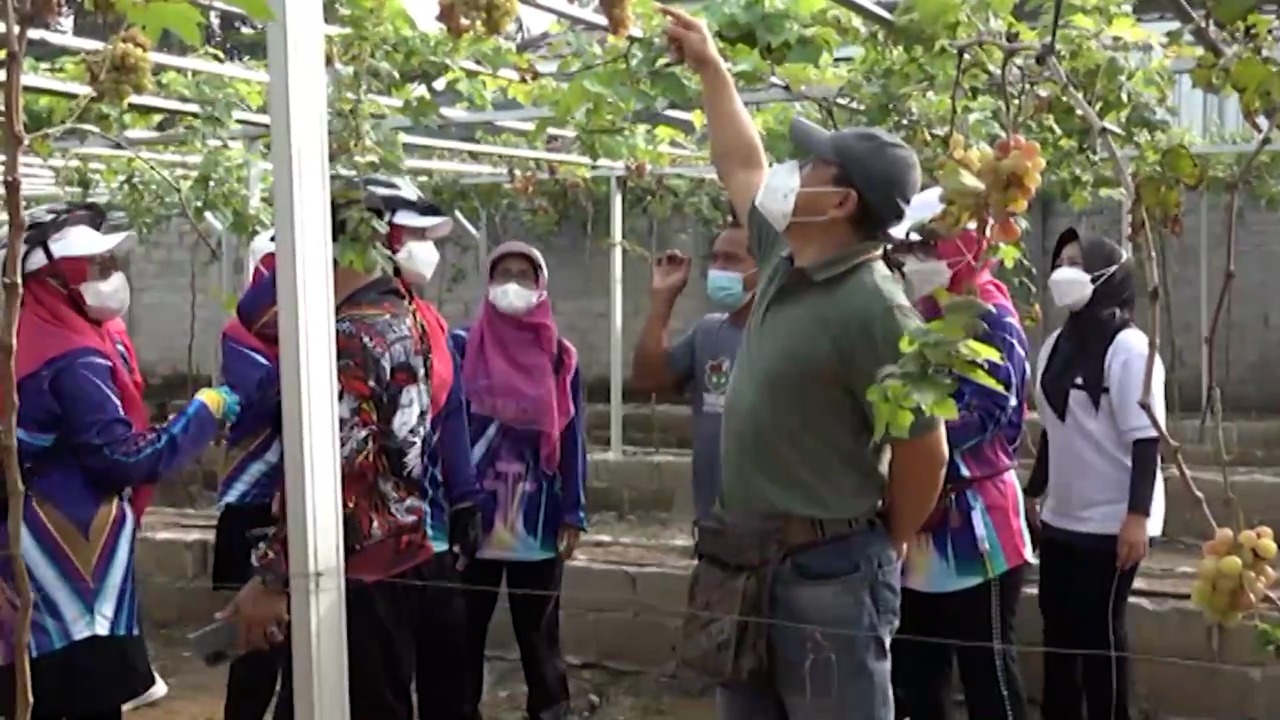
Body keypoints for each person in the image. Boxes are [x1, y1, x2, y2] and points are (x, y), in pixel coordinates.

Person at [660, 7, 949, 720]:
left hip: (831, 573)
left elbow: (924, 448)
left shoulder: (878, 309)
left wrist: (887, 541)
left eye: (813, 165)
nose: (795, 172)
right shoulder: (788, 256)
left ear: (842, 200)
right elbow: (742, 162)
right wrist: (711, 67)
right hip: (748, 558)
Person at [217, 176, 483, 720]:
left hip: (352, 576)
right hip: (394, 557)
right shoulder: (404, 317)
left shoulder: (349, 336)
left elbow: (340, 475)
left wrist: (273, 576)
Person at [0, 203, 240, 720]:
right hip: (66, 570)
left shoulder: (33, 342)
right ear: (55, 281)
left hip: (47, 555)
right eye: (97, 268)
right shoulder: (72, 359)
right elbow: (120, 459)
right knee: (73, 699)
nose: (112, 277)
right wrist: (201, 414)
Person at [886, 188, 1034, 720]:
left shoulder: (992, 320)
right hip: (923, 519)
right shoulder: (923, 316)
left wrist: (897, 429)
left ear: (966, 245)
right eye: (910, 250)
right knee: (916, 674)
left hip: (978, 526)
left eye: (927, 247)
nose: (914, 261)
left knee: (987, 672)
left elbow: (984, 414)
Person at [1025, 230, 1164, 720]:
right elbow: (1055, 430)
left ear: (1108, 274)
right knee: (1056, 628)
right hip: (1064, 515)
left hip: (1112, 521)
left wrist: (1137, 518)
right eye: (1060, 260)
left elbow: (1146, 440)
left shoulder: (1130, 349)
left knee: (1100, 631)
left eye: (1079, 263)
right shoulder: (1055, 347)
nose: (1065, 271)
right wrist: (1032, 494)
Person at [450, 241, 587, 720]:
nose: (512, 283)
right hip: (473, 519)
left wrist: (575, 511)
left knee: (540, 634)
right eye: (502, 273)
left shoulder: (558, 357)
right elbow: (445, 428)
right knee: (464, 630)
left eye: (524, 275)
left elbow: (572, 439)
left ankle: (551, 712)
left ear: (541, 285)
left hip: (537, 519)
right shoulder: (462, 347)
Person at [630, 216, 755, 522]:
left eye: (731, 260)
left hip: (777, 527)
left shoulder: (791, 334)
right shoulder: (708, 332)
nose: (718, 268)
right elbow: (647, 380)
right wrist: (662, 302)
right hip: (714, 521)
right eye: (715, 258)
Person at [212, 231, 286, 720]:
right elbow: (263, 404)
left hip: (299, 502)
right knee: (253, 645)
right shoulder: (239, 336)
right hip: (253, 503)